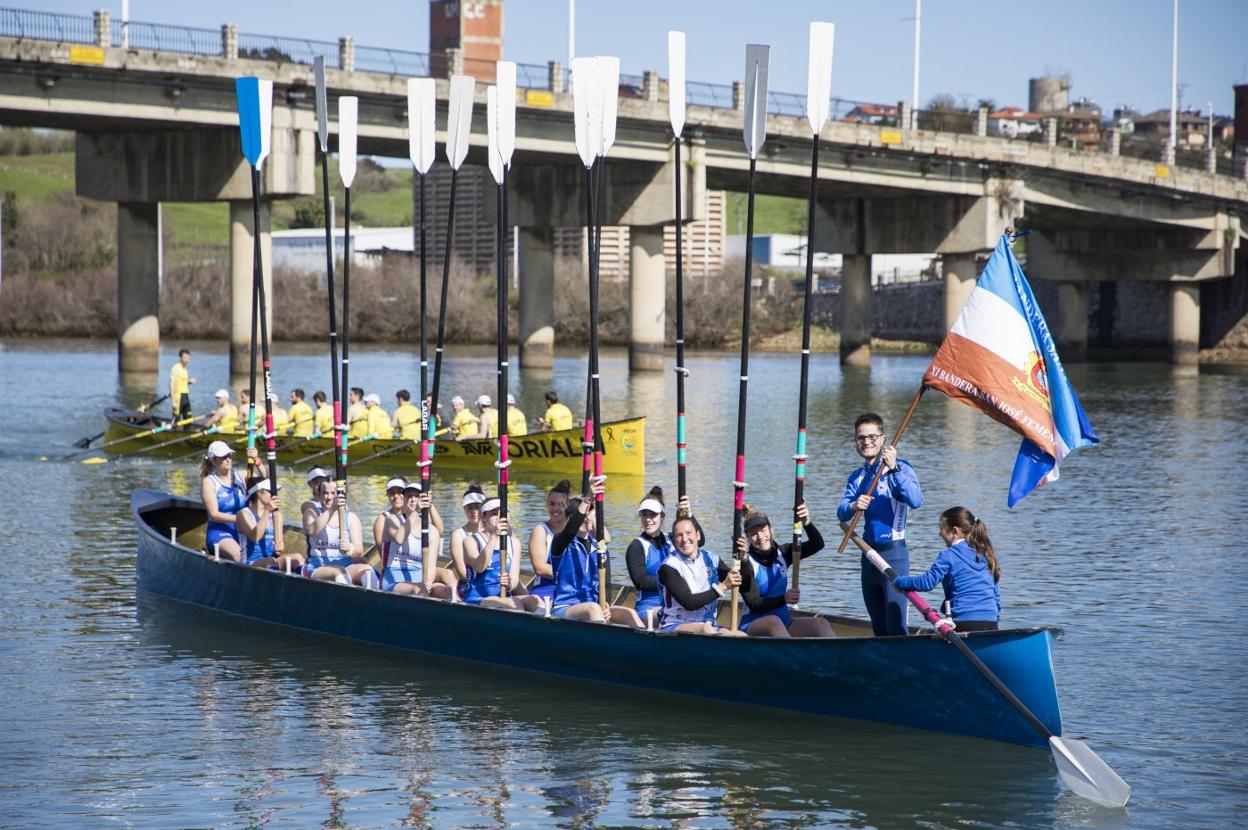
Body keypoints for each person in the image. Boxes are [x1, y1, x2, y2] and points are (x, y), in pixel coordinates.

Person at [836, 412, 923, 637]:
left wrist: (893, 468)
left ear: (883, 439)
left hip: (894, 554)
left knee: (896, 625)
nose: (866, 442)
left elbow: (916, 501)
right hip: (869, 556)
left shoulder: (900, 468)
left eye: (872, 437)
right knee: (879, 627)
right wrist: (854, 505)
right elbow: (841, 512)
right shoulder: (856, 477)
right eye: (861, 438)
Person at [549, 478, 643, 626]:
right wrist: (588, 499)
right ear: (569, 518)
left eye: (589, 515)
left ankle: (645, 647)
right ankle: (603, 644)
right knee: (593, 609)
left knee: (629, 613)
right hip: (565, 607)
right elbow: (570, 530)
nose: (585, 519)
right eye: (581, 516)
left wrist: (605, 603)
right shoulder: (561, 543)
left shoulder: (599, 546)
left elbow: (605, 581)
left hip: (594, 606)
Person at [893, 507, 1001, 632]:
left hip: (964, 621)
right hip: (991, 622)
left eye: (942, 530)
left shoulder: (949, 555)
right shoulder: (987, 555)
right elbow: (996, 597)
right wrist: (995, 620)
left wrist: (899, 581)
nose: (940, 535)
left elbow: (926, 583)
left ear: (955, 531)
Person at [735, 502, 834, 638]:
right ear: (747, 538)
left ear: (771, 529)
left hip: (784, 622)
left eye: (763, 530)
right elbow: (754, 604)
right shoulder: (745, 563)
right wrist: (784, 598)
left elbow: (817, 544)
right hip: (753, 625)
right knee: (773, 622)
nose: (760, 537)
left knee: (821, 624)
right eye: (753, 534)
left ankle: (838, 658)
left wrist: (807, 522)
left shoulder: (784, 553)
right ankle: (793, 656)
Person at [656, 514, 744, 635]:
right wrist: (723, 586)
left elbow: (744, 586)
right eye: (679, 535)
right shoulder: (669, 567)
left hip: (708, 624)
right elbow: (689, 603)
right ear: (674, 540)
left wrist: (744, 559)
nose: (684, 539)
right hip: (675, 624)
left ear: (698, 535)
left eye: (688, 533)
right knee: (705, 630)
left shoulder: (712, 559)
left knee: (739, 635)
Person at [374, 478, 452, 598]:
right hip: (393, 581)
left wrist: (429, 582)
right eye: (409, 496)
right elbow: (399, 539)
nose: (413, 499)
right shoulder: (392, 520)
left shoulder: (432, 531)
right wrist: (416, 511)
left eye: (417, 496)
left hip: (420, 582)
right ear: (404, 499)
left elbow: (431, 566)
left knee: (448, 591)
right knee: (418, 589)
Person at [462, 499, 543, 611]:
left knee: (536, 600)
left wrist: (509, 583)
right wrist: (495, 536)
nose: (499, 517)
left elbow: (514, 579)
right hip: (477, 597)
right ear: (484, 517)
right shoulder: (470, 541)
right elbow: (479, 568)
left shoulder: (514, 543)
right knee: (513, 604)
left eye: (503, 514)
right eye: (494, 514)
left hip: (504, 596)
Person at [625, 487, 692, 622]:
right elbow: (641, 582)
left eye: (653, 514)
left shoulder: (673, 539)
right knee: (675, 615)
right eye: (644, 514)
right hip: (649, 608)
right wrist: (673, 581)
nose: (648, 519)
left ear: (662, 516)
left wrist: (689, 516)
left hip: (676, 602)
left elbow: (698, 541)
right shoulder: (636, 546)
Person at [302, 478, 374, 585]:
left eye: (333, 493)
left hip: (346, 566)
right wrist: (331, 509)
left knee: (367, 571)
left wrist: (350, 548)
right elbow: (312, 530)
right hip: (317, 567)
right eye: (325, 493)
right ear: (320, 496)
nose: (329, 497)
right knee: (339, 572)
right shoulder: (311, 513)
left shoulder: (351, 518)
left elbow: (359, 550)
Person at [235, 477, 302, 571]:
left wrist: (279, 546)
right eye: (271, 492)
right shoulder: (243, 514)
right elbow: (255, 537)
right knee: (270, 563)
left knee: (297, 558)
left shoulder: (276, 515)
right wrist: (267, 510)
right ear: (259, 493)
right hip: (250, 563)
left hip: (271, 560)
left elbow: (278, 547)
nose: (274, 496)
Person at [199, 440, 246, 562]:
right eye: (223, 457)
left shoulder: (241, 476)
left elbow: (264, 479)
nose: (228, 459)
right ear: (213, 461)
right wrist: (242, 519)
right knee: (240, 556)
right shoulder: (209, 482)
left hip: (243, 529)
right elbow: (214, 515)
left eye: (229, 456)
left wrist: (257, 461)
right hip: (220, 532)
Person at [528, 479, 572, 604]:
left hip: (573, 590)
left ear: (569, 506)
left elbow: (605, 538)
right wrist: (572, 574)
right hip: (546, 591)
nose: (556, 509)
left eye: (561, 504)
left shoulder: (578, 529)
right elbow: (540, 568)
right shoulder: (540, 531)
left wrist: (589, 512)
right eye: (552, 504)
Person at [449, 484, 487, 587]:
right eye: (469, 508)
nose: (474, 511)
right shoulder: (458, 535)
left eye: (477, 507)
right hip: (470, 585)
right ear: (464, 509)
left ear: (484, 509)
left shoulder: (493, 532)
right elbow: (463, 574)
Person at [169, 348, 195, 421]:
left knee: (189, 419)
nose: (187, 360)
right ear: (180, 357)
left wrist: (189, 382)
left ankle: (187, 432)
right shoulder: (175, 368)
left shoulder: (185, 369)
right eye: (185, 358)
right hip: (178, 396)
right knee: (176, 419)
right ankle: (172, 431)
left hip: (186, 396)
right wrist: (173, 401)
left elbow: (183, 383)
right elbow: (171, 384)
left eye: (188, 358)